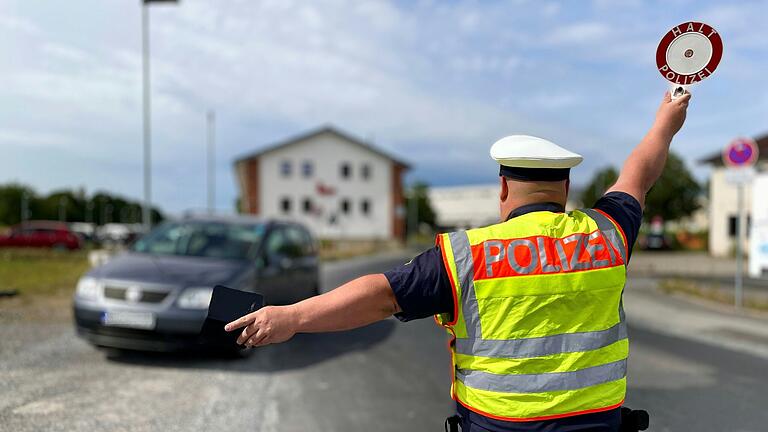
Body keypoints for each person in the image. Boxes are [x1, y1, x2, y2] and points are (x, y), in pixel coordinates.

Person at [225, 91, 691, 431]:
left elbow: (380, 296)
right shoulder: (607, 235)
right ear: (565, 189)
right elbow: (639, 174)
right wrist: (665, 120)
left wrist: (292, 316)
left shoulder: (466, 254)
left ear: (504, 188)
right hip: (596, 427)